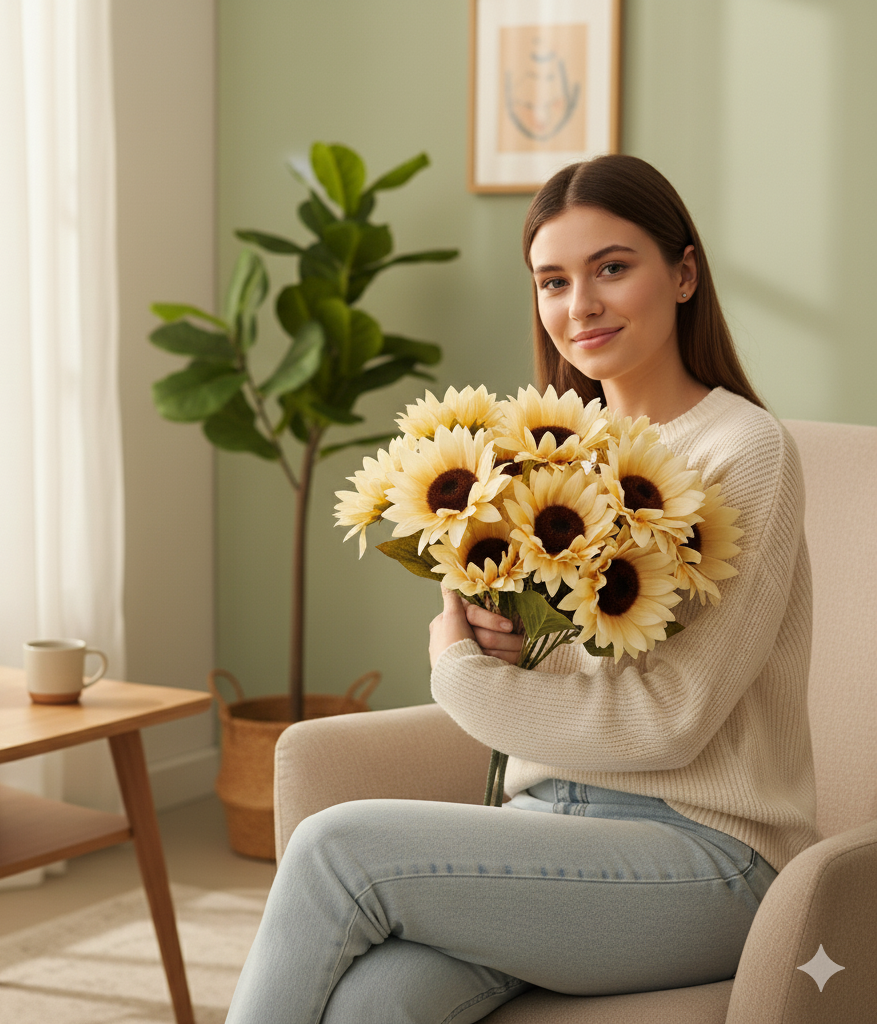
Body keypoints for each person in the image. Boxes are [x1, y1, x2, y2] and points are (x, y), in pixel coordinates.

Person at [225, 154, 820, 1023]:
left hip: (709, 856)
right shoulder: (544, 453)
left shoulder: (746, 450)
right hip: (546, 825)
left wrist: (459, 669)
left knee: (335, 850)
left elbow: (672, 721)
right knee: (374, 1005)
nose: (580, 305)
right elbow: (557, 659)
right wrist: (508, 645)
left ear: (683, 273)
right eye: (553, 280)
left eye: (612, 268)